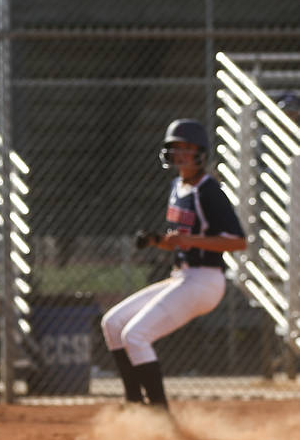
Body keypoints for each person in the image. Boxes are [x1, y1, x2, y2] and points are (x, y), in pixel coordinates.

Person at [101, 119, 247, 407]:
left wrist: (191, 241)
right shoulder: (176, 187)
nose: (181, 153)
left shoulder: (209, 190)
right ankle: (134, 404)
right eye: (175, 147)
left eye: (187, 148)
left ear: (200, 153)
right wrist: (158, 241)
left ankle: (158, 415)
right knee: (113, 323)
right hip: (181, 276)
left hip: (205, 280)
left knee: (136, 335)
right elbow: (180, 239)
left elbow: (237, 241)